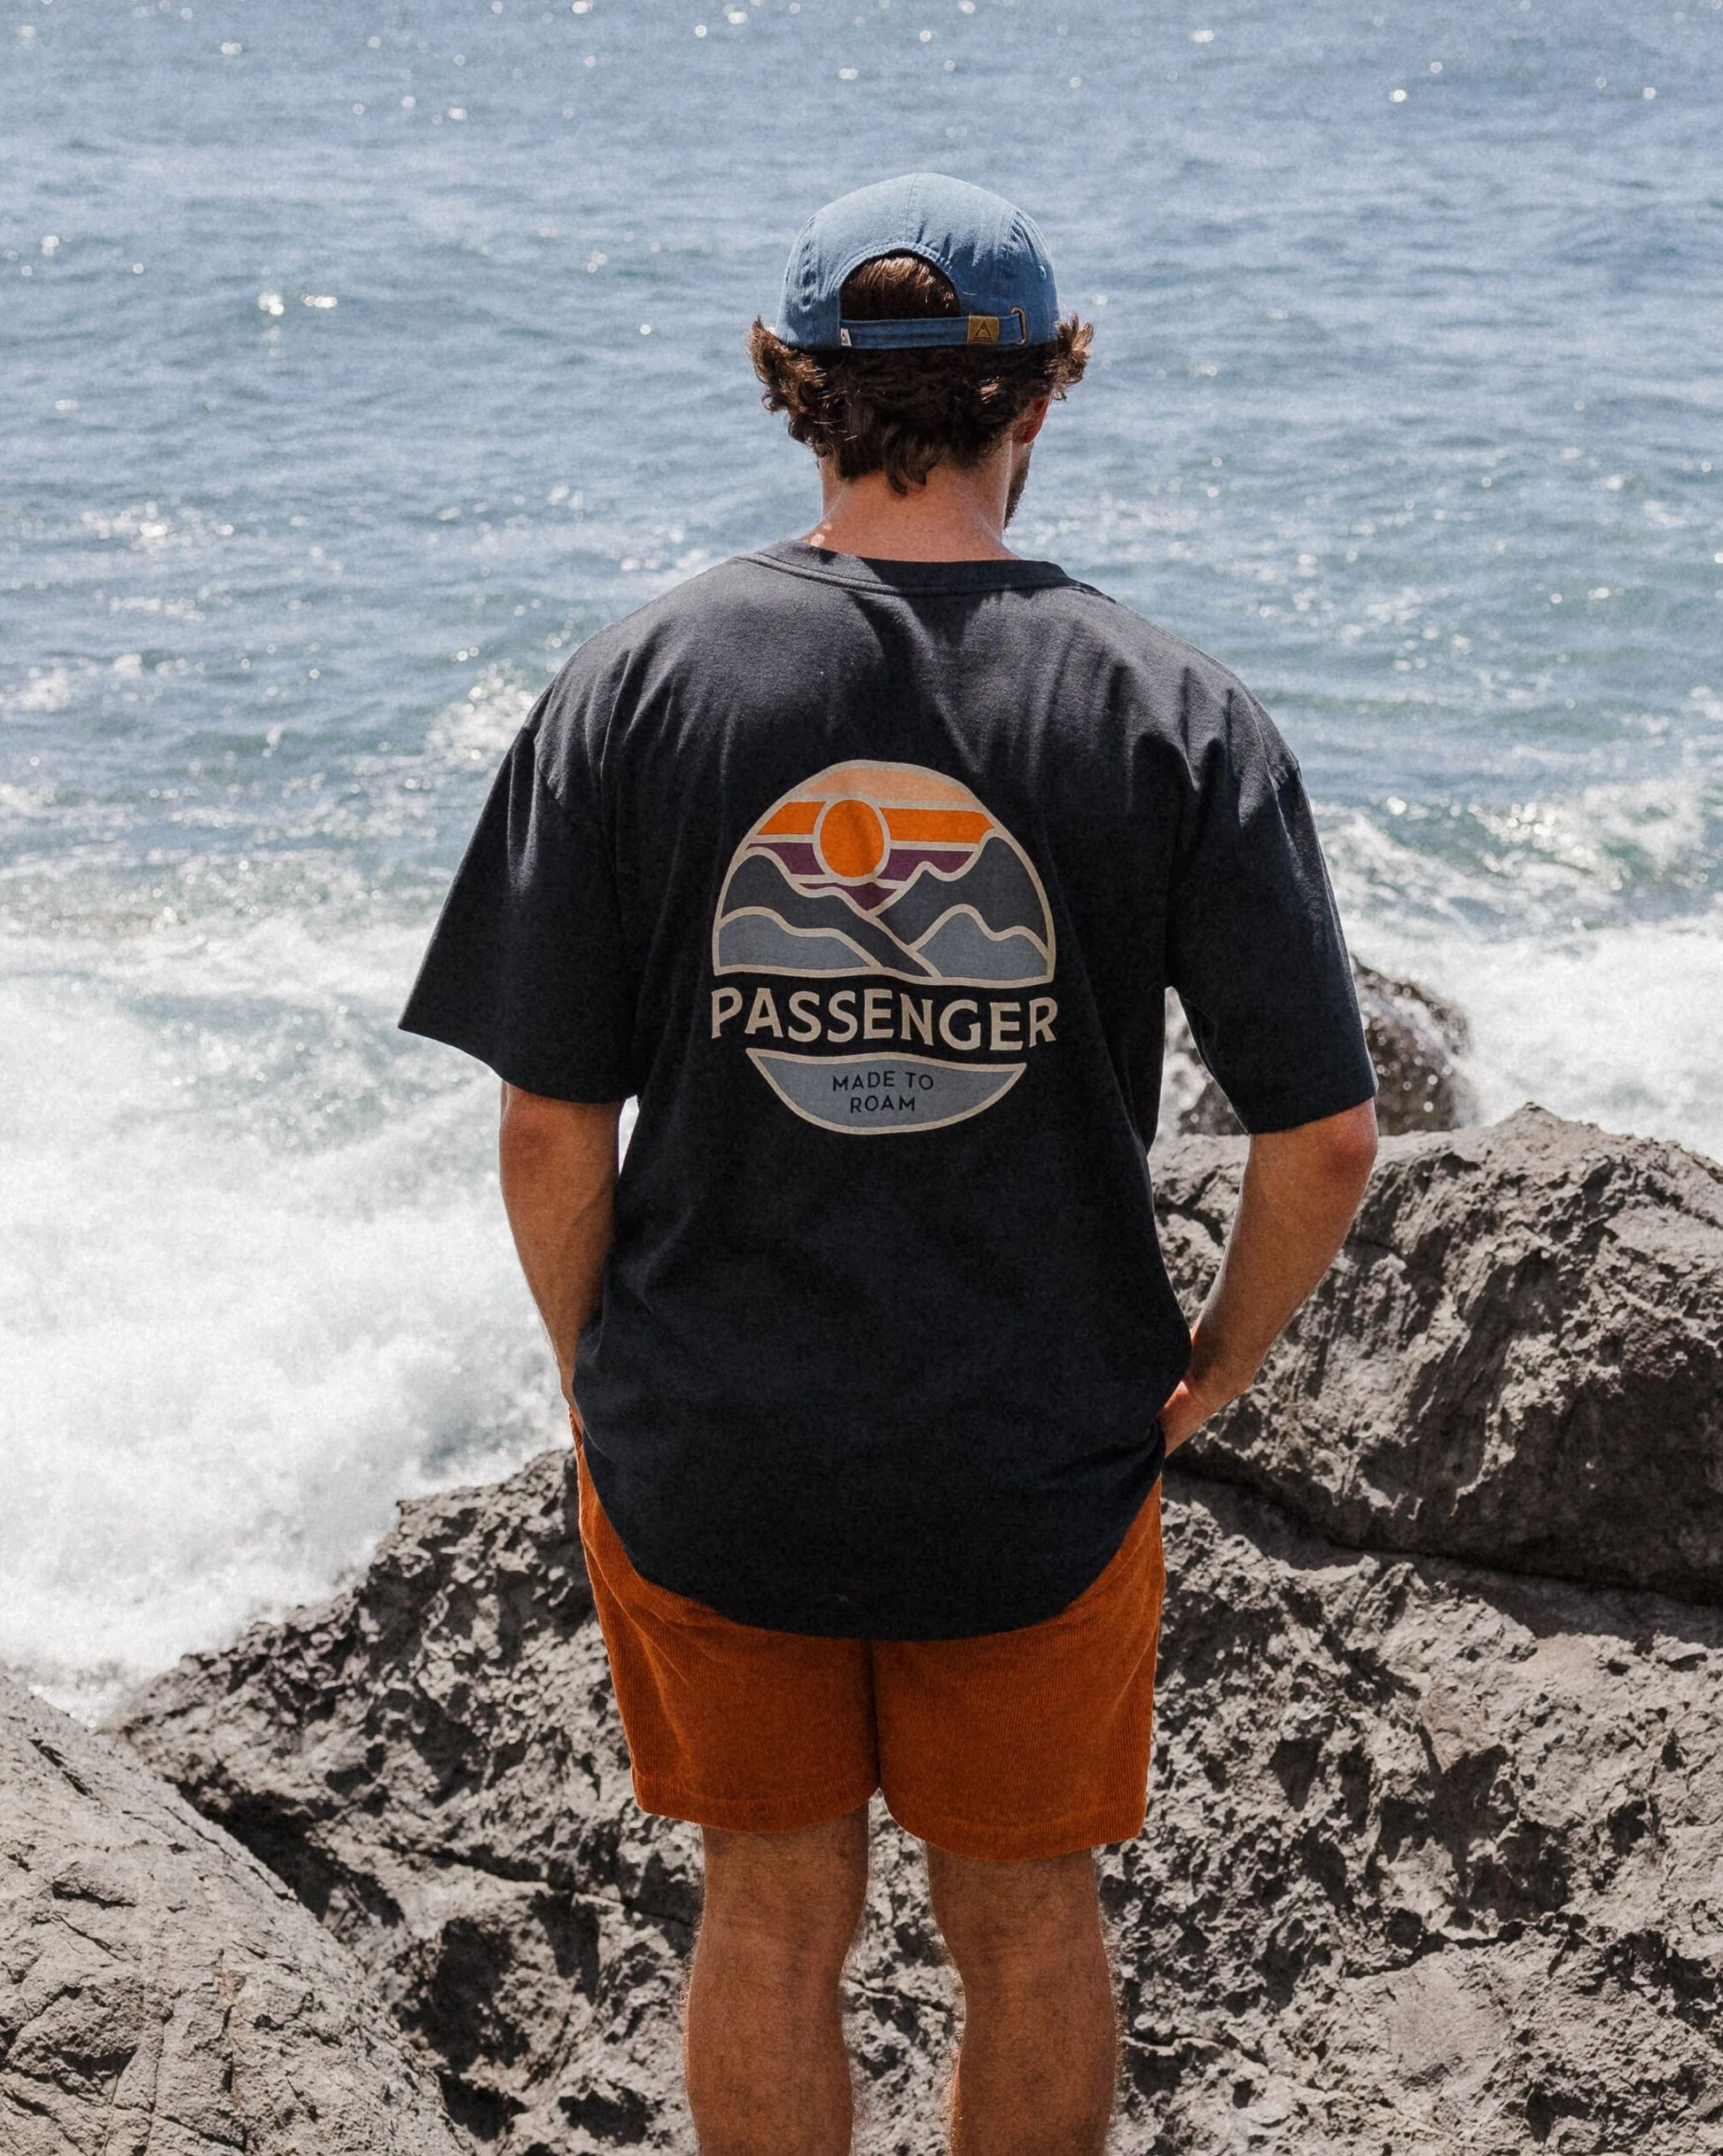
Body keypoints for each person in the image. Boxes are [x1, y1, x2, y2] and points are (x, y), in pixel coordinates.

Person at [400, 172, 1378, 2156]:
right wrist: (1212, 1369)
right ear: (1041, 393)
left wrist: (600, 1371)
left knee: (766, 1911)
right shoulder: (1167, 706)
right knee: (1026, 1920)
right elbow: (1329, 1136)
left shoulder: (634, 683)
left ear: (793, 386)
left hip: (715, 1450)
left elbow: (542, 1121)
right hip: (1036, 1455)